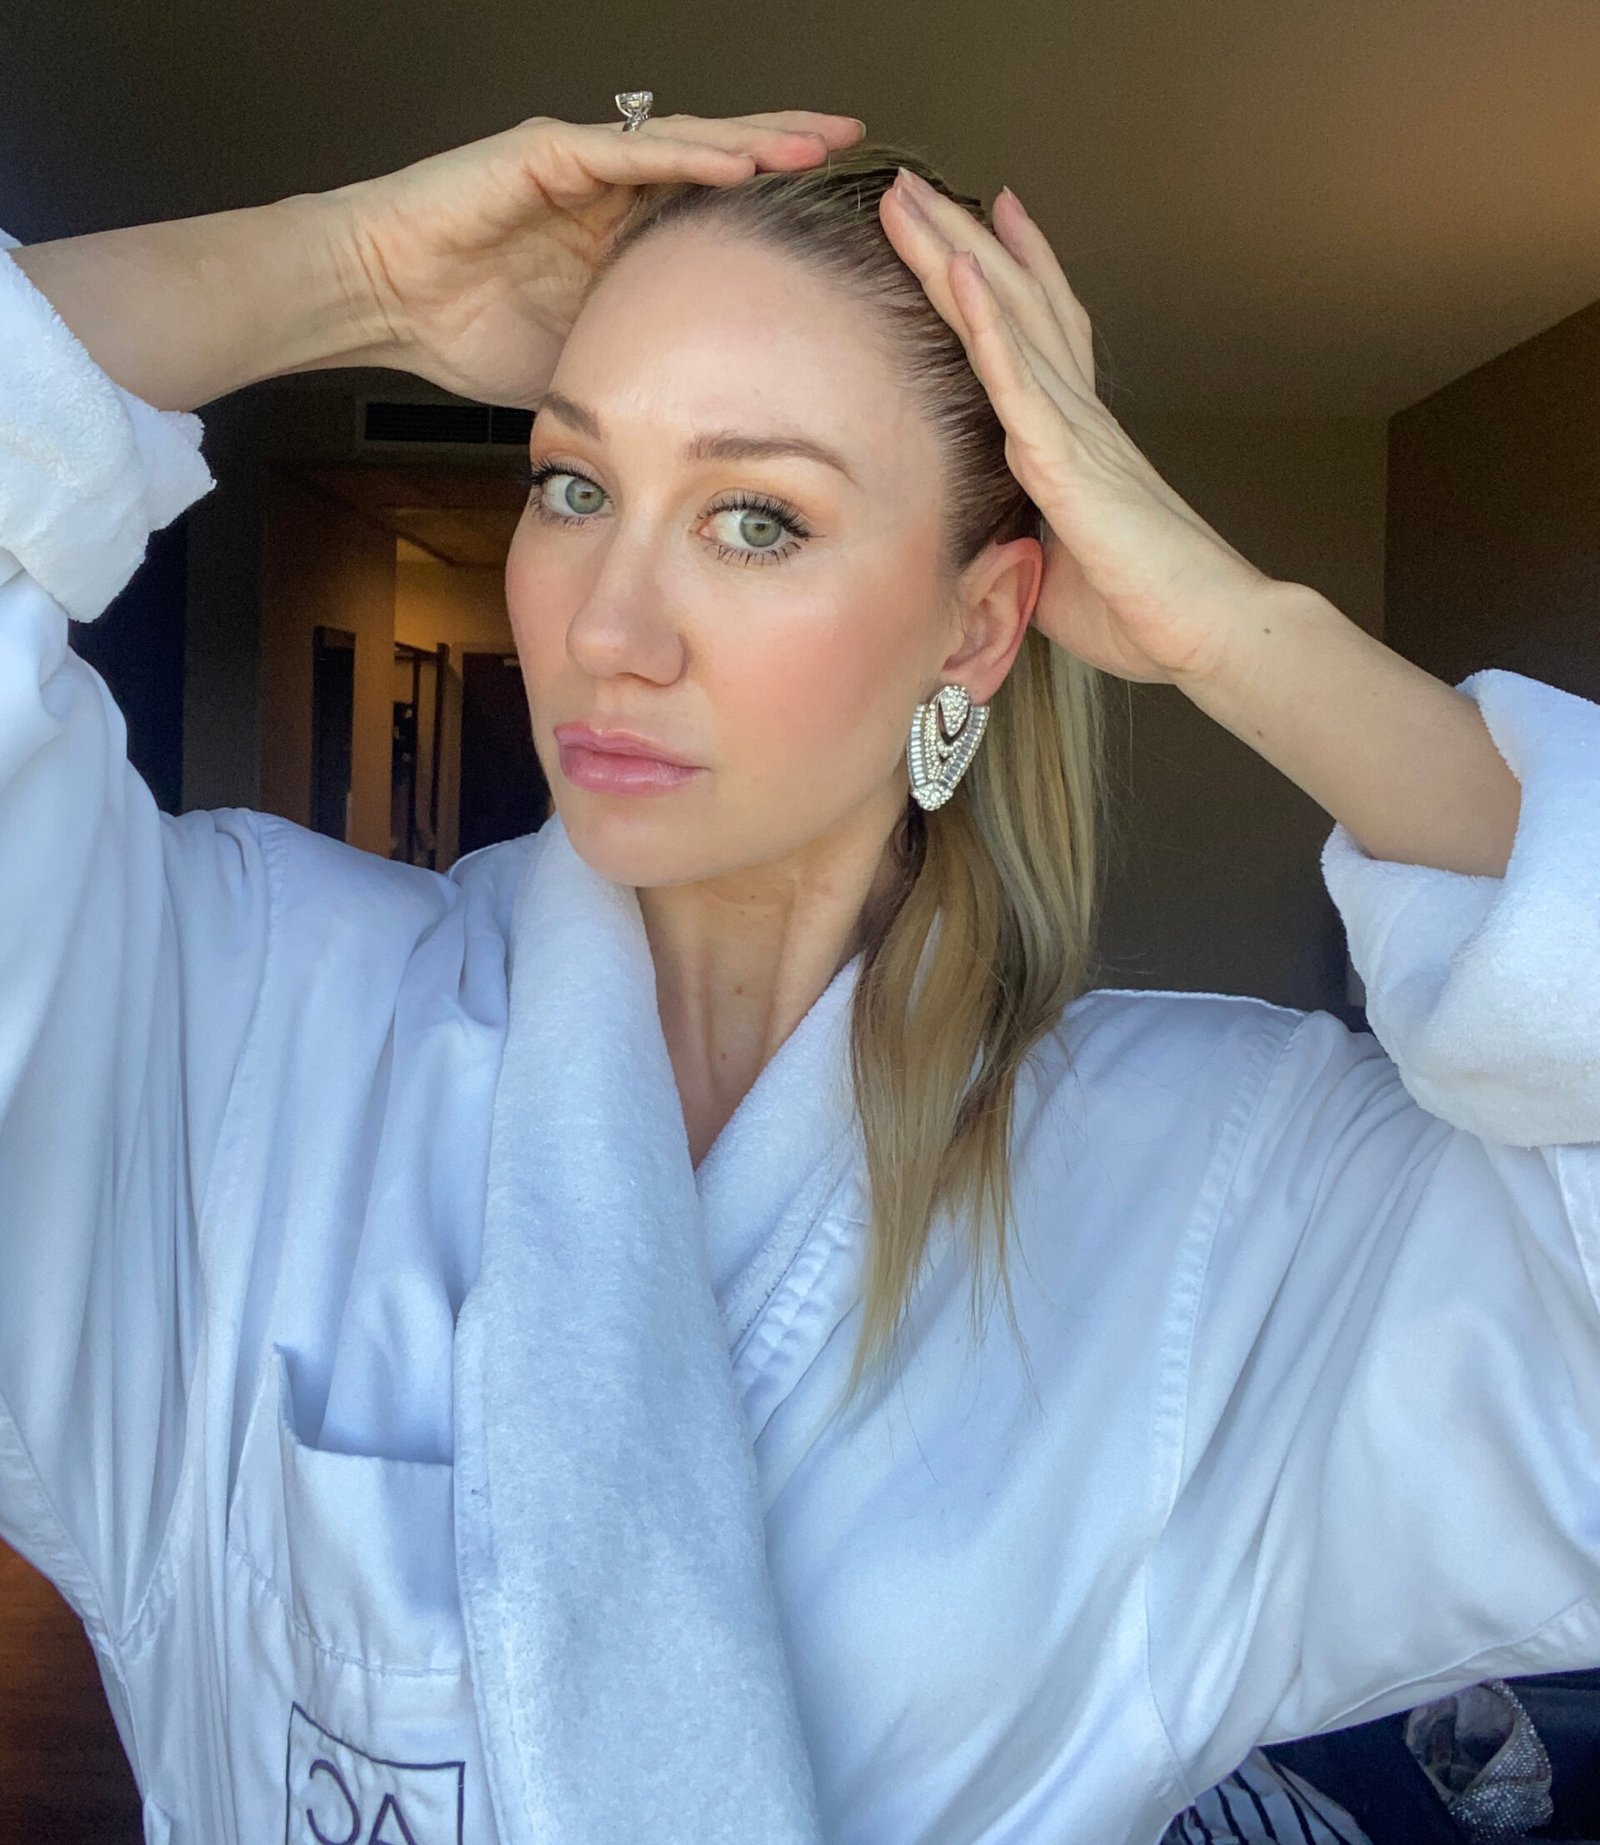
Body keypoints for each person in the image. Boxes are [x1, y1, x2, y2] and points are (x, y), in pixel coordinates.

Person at [1, 98, 1596, 1845]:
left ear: (977, 625)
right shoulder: (244, 1014)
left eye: (755, 519)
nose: (606, 628)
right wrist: (355, 271)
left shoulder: (1212, 1203)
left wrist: (1238, 625)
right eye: (574, 485)